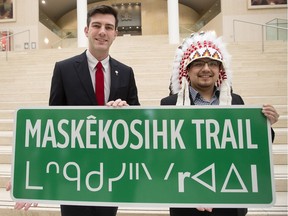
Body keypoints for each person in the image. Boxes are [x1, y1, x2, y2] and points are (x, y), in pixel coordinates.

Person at [6, 5, 140, 216]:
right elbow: (51, 125)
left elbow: (139, 122)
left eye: (108, 27)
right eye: (96, 26)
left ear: (116, 33)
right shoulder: (63, 69)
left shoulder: (125, 72)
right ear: (86, 30)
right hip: (72, 173)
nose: (102, 32)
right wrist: (32, 176)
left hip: (112, 173)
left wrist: (127, 111)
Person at [160, 31, 279, 216]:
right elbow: (163, 153)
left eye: (213, 63)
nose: (206, 68)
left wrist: (265, 125)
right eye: (198, 63)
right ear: (187, 70)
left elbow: (254, 146)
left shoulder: (236, 101)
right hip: (187, 196)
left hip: (230, 195)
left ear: (219, 70)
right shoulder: (169, 104)